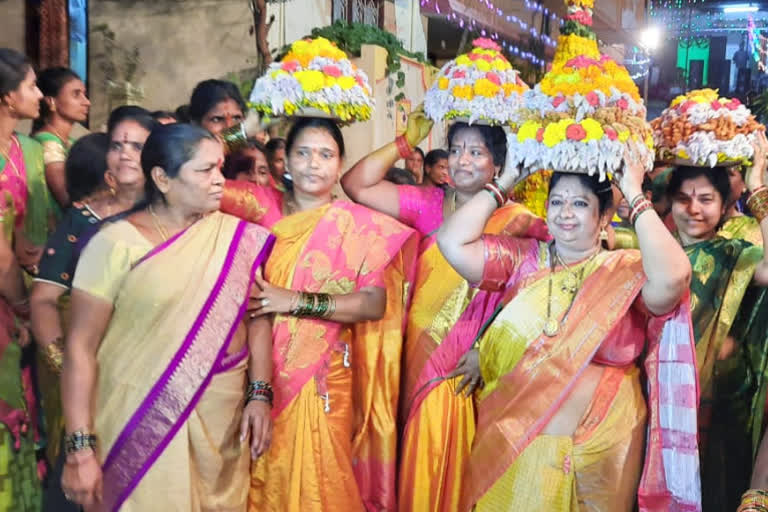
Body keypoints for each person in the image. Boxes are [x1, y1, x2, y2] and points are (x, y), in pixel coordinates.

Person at [436, 141, 698, 510]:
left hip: (604, 445)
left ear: (604, 215)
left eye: (580, 204)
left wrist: (635, 194)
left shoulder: (625, 270)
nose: (565, 214)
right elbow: (450, 242)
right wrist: (508, 177)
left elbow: (674, 279)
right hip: (519, 439)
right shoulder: (522, 259)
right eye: (557, 202)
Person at [60, 124, 275, 510]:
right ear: (162, 178)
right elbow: (80, 348)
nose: (219, 181)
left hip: (221, 426)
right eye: (205, 170)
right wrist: (79, 448)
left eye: (220, 169)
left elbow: (257, 316)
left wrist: (260, 392)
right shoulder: (114, 244)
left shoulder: (236, 239)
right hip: (137, 423)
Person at [341, 110, 547, 512]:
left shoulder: (520, 222)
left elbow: (534, 295)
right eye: (455, 150)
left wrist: (485, 349)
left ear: (498, 164)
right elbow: (355, 184)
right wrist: (404, 143)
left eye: (476, 152)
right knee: (417, 452)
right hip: (417, 355)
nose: (462, 160)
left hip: (472, 365)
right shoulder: (427, 204)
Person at [218, 116, 418, 511]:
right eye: (303, 154)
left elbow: (372, 302)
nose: (313, 164)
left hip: (328, 375)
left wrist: (294, 300)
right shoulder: (262, 205)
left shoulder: (356, 226)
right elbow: (194, 168)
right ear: (284, 162)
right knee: (265, 470)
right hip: (261, 369)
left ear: (340, 165)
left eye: (326, 155)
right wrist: (243, 130)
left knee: (325, 479)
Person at [31, 107, 156, 491]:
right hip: (88, 378)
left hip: (154, 377)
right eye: (117, 145)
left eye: (137, 146)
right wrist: (61, 361)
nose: (124, 154)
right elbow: (43, 299)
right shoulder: (83, 220)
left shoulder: (178, 219)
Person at [666, 137, 768, 510]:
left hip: (704, 408)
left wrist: (757, 186)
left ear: (725, 206)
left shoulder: (733, 255)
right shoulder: (646, 248)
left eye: (706, 200)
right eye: (683, 198)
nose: (693, 209)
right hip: (647, 400)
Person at [0, 46, 49, 512]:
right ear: (6, 97)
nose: (41, 96)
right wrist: (20, 308)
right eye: (32, 86)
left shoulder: (27, 150)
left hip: (23, 288)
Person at [31, 67, 90, 209]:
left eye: (84, 94)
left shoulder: (70, 142)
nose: (87, 102)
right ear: (52, 101)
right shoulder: (47, 142)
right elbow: (68, 199)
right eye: (76, 95)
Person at [719, 164, 762, 245]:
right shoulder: (690, 226)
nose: (717, 182)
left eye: (727, 173)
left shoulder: (758, 232)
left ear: (745, 183)